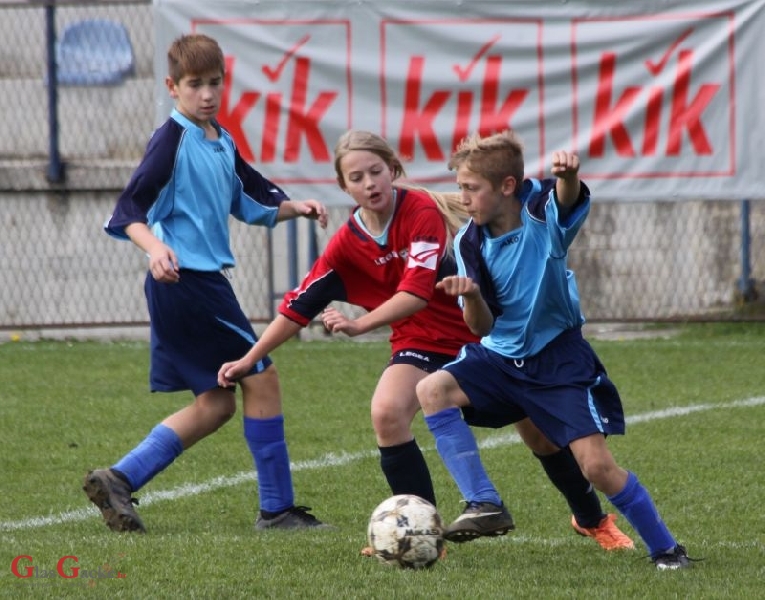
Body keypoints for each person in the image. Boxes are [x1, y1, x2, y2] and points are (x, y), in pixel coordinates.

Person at [218, 129, 634, 553]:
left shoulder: (420, 212)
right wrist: (250, 358)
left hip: (480, 336)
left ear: (393, 170)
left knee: (541, 436)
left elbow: (417, 293)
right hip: (420, 343)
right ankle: (422, 532)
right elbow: (297, 306)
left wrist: (361, 325)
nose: (369, 184)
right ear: (343, 187)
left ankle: (592, 519)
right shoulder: (348, 243)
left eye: (376, 172)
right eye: (356, 178)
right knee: (387, 412)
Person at [83, 33, 330, 533]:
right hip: (187, 284)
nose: (207, 94)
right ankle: (277, 509)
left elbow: (250, 197)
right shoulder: (170, 140)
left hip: (196, 285)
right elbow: (128, 210)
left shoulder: (221, 138)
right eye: (195, 85)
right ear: (173, 87)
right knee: (261, 374)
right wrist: (155, 250)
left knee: (215, 403)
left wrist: (295, 208)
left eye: (214, 83)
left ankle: (119, 478)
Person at [415, 130, 693, 569]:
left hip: (558, 360)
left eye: (471, 188)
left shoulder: (541, 214)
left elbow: (565, 199)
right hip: (500, 357)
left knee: (597, 468)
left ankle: (666, 549)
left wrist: (570, 175)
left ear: (507, 186)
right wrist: (470, 296)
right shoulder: (470, 241)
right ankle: (484, 503)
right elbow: (482, 325)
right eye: (460, 188)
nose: (463, 198)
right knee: (432, 390)